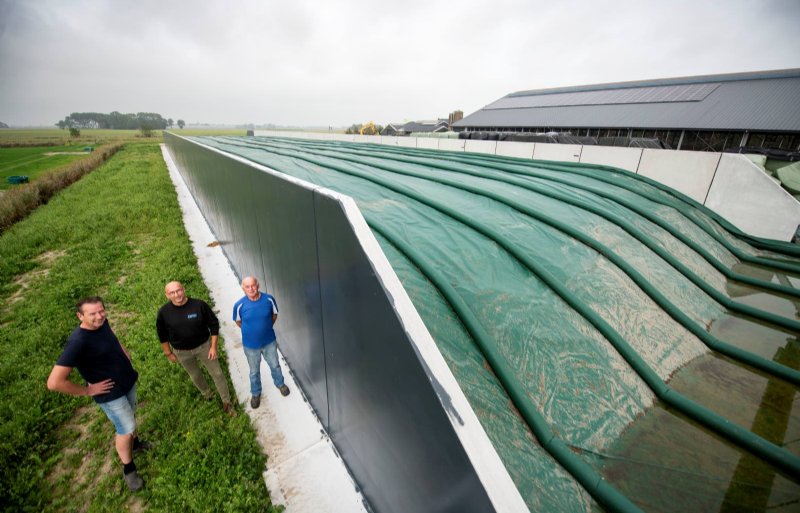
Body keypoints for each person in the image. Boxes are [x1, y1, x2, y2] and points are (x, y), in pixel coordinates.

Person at [47, 297, 148, 492]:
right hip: (110, 392)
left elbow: (112, 337)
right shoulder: (78, 342)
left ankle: (136, 444)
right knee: (125, 428)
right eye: (92, 314)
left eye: (101, 311)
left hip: (126, 379)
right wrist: (87, 390)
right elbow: (54, 382)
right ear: (80, 316)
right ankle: (129, 469)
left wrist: (124, 352)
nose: (99, 316)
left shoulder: (102, 323)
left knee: (131, 414)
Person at [156, 281, 236, 417]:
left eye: (178, 290)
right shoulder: (164, 312)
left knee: (217, 373)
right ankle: (207, 394)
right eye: (172, 293)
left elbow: (214, 324)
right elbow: (162, 334)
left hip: (204, 347)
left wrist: (213, 347)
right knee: (195, 375)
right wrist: (168, 352)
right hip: (181, 352)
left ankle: (226, 402)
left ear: (184, 289)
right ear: (167, 295)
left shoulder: (199, 305)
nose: (176, 295)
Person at [232, 276, 290, 409]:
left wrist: (266, 328)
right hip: (250, 346)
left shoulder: (269, 299)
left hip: (269, 341)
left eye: (253, 285)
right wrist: (251, 331)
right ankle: (256, 393)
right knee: (254, 371)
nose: (251, 289)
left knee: (275, 365)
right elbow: (238, 321)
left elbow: (274, 315)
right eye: (247, 287)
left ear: (258, 285)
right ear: (243, 288)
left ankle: (280, 384)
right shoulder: (239, 305)